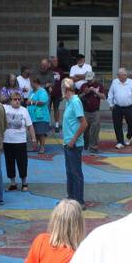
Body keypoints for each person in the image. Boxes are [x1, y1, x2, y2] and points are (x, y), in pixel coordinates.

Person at [60, 78, 87, 206]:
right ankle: (71, 198)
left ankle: (79, 201)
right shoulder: (68, 102)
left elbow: (84, 123)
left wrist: (73, 139)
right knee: (70, 171)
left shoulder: (75, 102)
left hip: (74, 144)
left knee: (75, 172)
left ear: (65, 89)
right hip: (68, 143)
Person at [3, 91, 35, 192]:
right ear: (10, 101)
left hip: (20, 141)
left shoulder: (24, 110)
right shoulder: (5, 108)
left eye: (18, 99)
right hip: (7, 141)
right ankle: (13, 183)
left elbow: (30, 125)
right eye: (14, 99)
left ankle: (24, 183)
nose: (17, 101)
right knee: (9, 163)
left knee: (22, 163)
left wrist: (33, 139)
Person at [108, 68, 132, 149]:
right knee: (117, 124)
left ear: (125, 75)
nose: (120, 78)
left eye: (122, 76)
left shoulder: (131, 82)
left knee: (131, 123)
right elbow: (110, 94)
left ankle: (128, 136)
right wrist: (111, 103)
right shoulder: (115, 82)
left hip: (129, 107)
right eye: (118, 76)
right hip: (117, 107)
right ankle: (120, 141)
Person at [78, 71, 105, 154]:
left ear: (94, 78)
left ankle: (94, 147)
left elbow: (103, 97)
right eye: (88, 79)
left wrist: (95, 91)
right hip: (85, 111)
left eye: (90, 79)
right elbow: (78, 97)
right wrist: (84, 93)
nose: (89, 81)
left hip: (95, 111)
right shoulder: (83, 86)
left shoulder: (99, 86)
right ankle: (86, 144)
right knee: (85, 130)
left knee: (95, 129)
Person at [27, 76, 51, 155]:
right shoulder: (32, 92)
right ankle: (35, 146)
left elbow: (42, 102)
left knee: (41, 133)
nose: (30, 84)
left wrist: (32, 102)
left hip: (41, 116)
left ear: (35, 83)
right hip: (33, 116)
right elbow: (28, 100)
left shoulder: (42, 91)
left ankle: (42, 147)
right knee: (36, 132)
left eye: (31, 83)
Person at [49, 56, 64, 133]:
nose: (56, 62)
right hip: (48, 93)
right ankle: (48, 123)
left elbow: (62, 83)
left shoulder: (60, 70)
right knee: (47, 108)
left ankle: (57, 125)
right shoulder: (47, 70)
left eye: (57, 61)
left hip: (57, 93)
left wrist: (63, 93)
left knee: (56, 108)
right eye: (54, 61)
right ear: (50, 62)